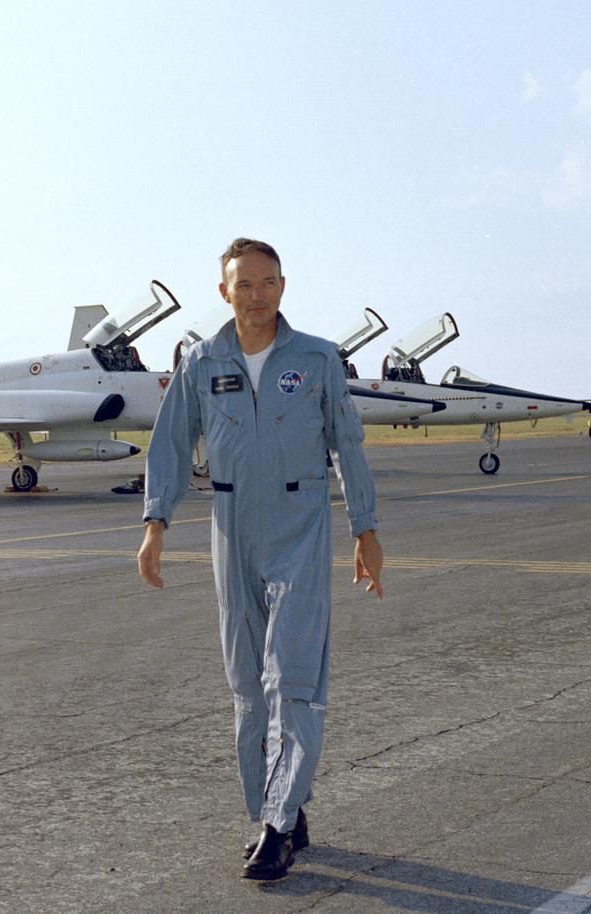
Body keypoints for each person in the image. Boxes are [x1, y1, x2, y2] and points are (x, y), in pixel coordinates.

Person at [137, 238, 384, 881]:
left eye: (267, 283)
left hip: (299, 525)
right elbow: (169, 446)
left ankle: (277, 826)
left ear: (283, 286)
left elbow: (347, 444)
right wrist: (155, 523)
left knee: (291, 676)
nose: (256, 295)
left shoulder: (318, 359)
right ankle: (276, 806)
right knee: (247, 683)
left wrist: (366, 527)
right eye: (243, 284)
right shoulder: (201, 361)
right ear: (224, 291)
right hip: (229, 526)